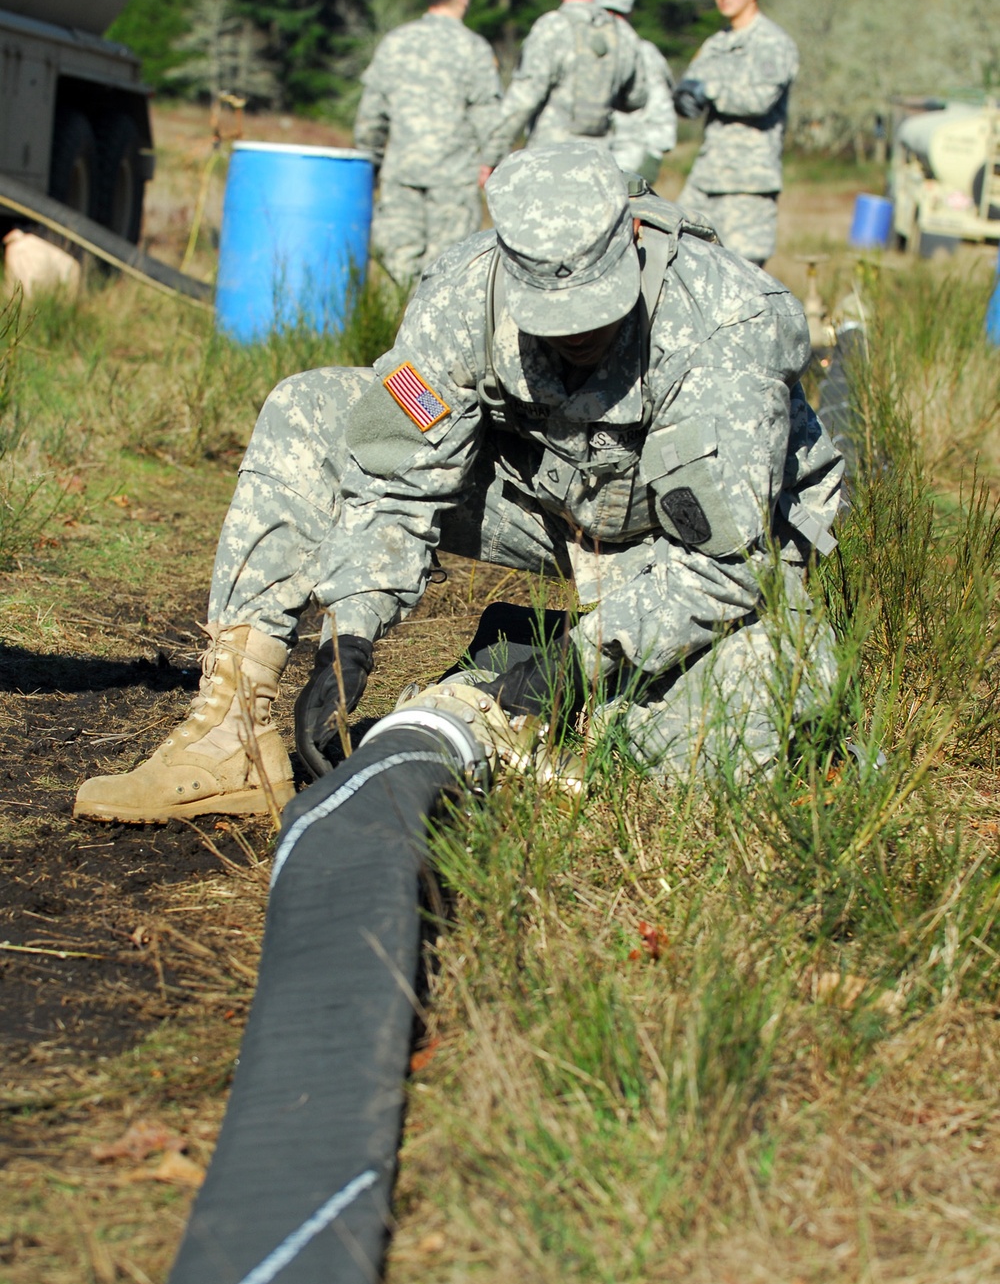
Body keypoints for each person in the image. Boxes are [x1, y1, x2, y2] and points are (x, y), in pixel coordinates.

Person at [73, 143, 844, 824]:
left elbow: (727, 562)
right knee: (312, 409)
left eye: (592, 314)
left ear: (632, 241)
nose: (573, 335)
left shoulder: (725, 324)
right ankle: (229, 736)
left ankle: (544, 697)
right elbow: (397, 476)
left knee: (710, 763)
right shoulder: (463, 292)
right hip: (546, 505)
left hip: (682, 548)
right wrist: (352, 635)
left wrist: (583, 657)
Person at [354, 0, 504, 287]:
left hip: (401, 174)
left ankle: (393, 332)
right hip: (453, 179)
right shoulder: (473, 48)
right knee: (449, 275)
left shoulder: (396, 42)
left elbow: (371, 114)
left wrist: (371, 161)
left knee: (397, 269)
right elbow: (491, 118)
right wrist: (490, 161)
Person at [674, 0, 798, 267]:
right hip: (707, 176)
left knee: (744, 275)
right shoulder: (716, 44)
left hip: (748, 182)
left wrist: (711, 91)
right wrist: (686, 99)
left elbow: (759, 100)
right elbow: (693, 86)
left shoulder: (772, 43)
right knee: (681, 259)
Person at [487, 0, 647, 160]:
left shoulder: (553, 27)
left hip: (550, 157)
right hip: (601, 160)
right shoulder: (622, 33)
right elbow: (637, 97)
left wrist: (493, 153)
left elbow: (524, 98)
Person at [595, 0, 676, 185]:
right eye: (606, 13)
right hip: (588, 156)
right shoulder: (583, 52)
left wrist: (654, 157)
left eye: (618, 14)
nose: (613, 21)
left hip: (628, 158)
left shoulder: (644, 53)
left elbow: (661, 107)